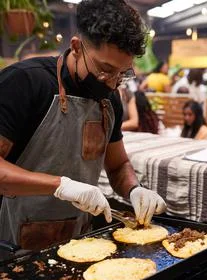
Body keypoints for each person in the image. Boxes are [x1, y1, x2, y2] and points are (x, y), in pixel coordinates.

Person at [0, 0, 166, 250]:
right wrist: (61, 186)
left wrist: (134, 189)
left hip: (78, 240)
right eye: (105, 69)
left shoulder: (111, 100)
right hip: (12, 243)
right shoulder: (26, 83)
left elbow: (118, 165)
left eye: (122, 74)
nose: (111, 83)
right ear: (77, 47)